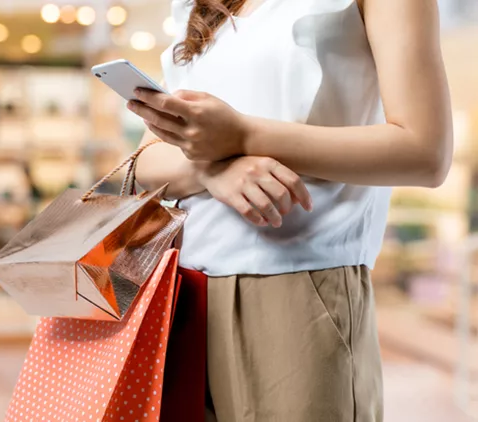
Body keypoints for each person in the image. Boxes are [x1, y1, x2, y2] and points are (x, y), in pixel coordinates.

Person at [129, 1, 453, 421]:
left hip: (299, 292)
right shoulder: (203, 7)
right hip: (184, 293)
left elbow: (425, 152)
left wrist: (243, 136)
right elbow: (145, 160)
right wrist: (211, 169)